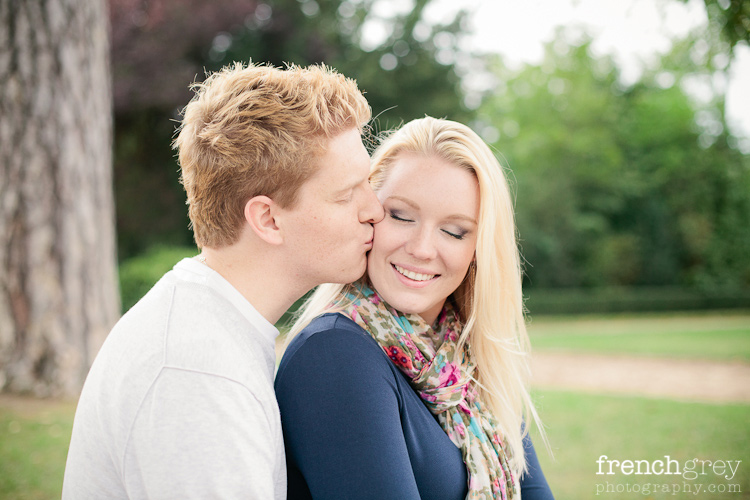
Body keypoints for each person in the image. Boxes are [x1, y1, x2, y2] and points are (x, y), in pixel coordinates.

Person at [62, 61, 383, 499]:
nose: (375, 210)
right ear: (267, 219)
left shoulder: (209, 329)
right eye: (347, 194)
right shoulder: (197, 374)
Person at [275, 116, 554, 499]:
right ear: (368, 214)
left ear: (478, 250)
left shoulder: (467, 363)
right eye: (402, 216)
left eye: (454, 231)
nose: (422, 248)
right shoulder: (334, 355)